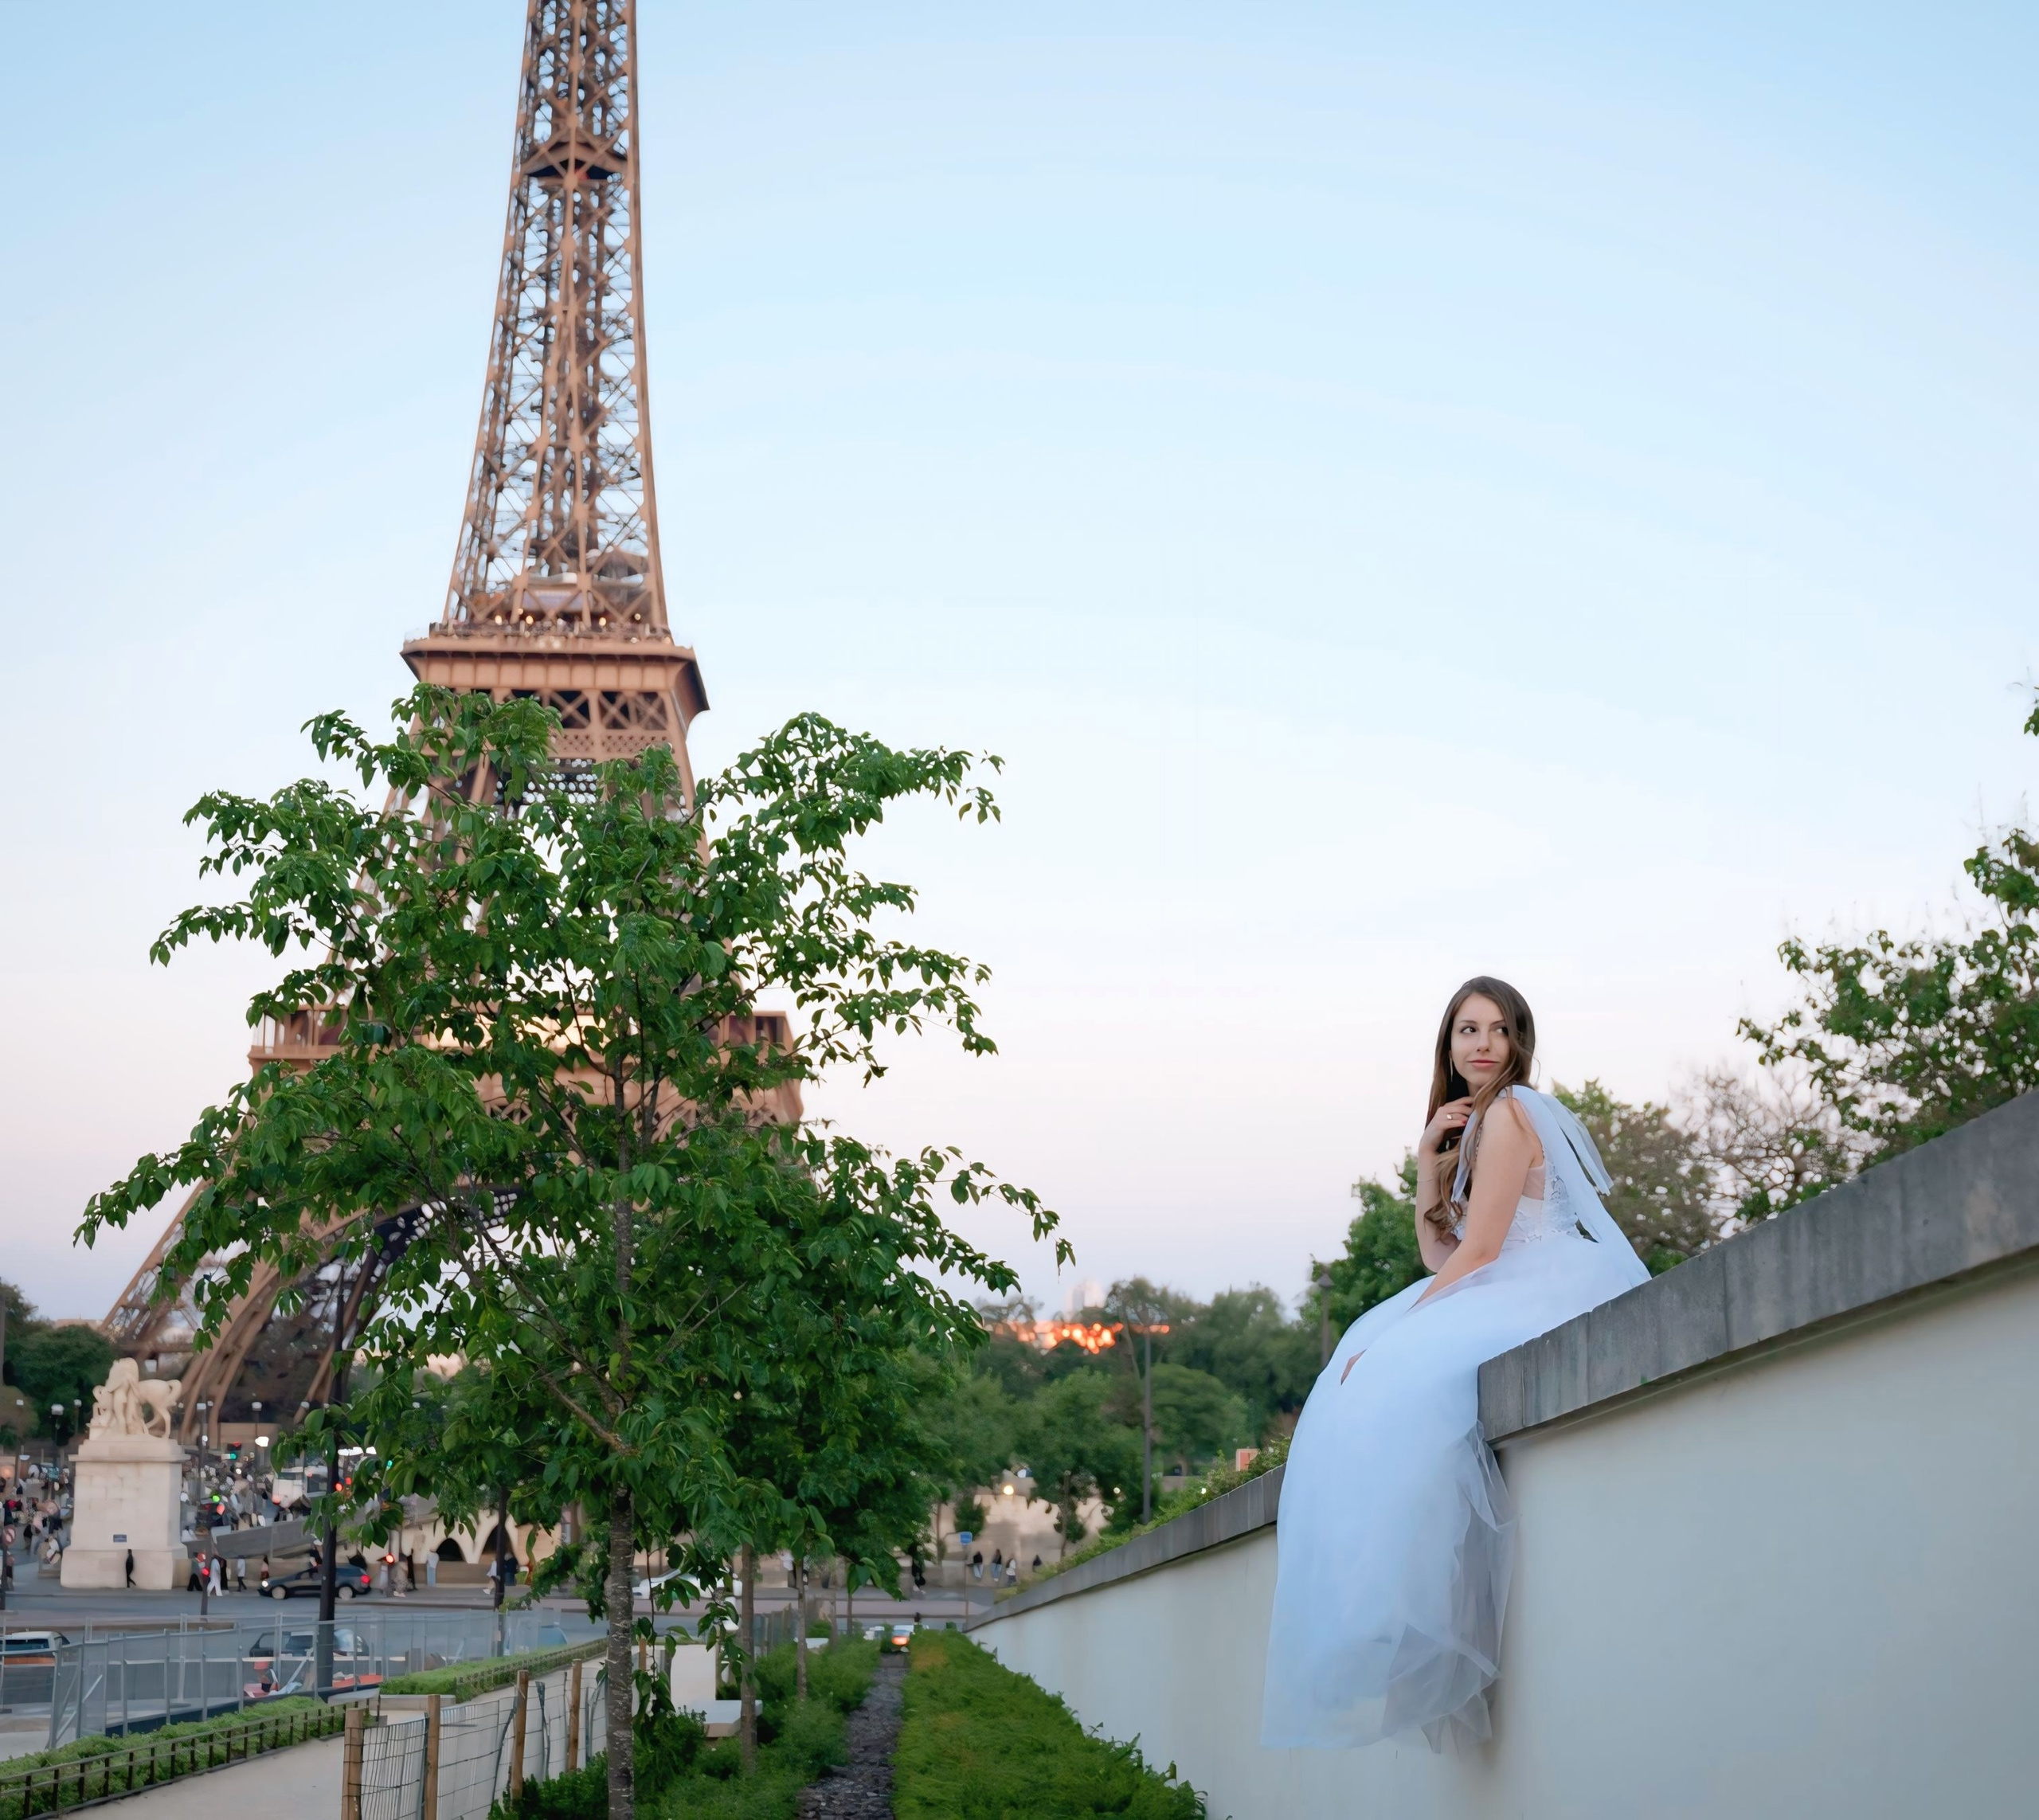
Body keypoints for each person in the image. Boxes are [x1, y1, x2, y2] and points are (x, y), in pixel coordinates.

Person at [1262, 977, 1648, 1754]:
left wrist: (1402, 1327)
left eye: (1496, 1029)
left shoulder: (1510, 1112)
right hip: (1500, 1277)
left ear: (1517, 1041)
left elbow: (1477, 1254)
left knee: (1388, 1378)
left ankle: (1405, 1618)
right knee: (1365, 1379)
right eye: (1465, 1029)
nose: (1481, 1043)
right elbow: (1439, 1251)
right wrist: (1424, 1160)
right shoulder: (1475, 1126)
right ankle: (1389, 1618)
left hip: (1542, 1286)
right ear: (1448, 1045)